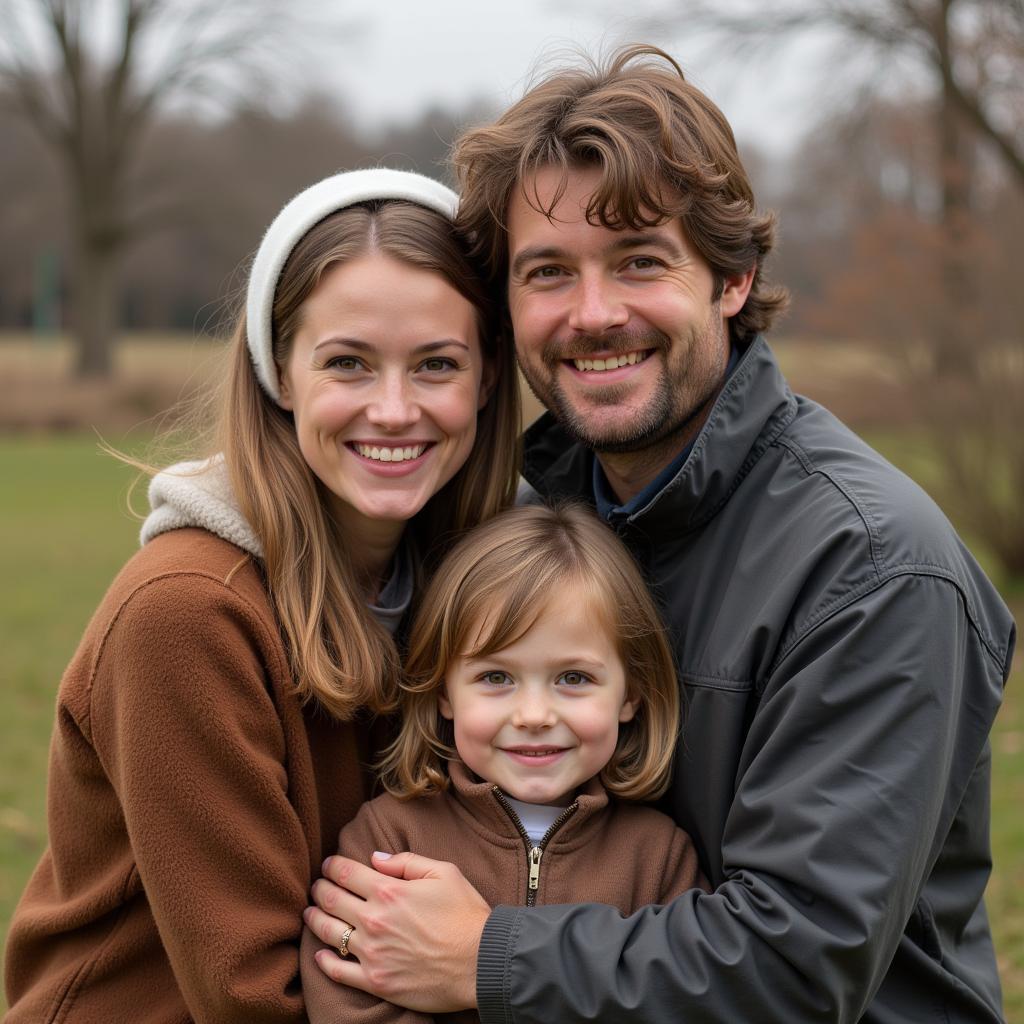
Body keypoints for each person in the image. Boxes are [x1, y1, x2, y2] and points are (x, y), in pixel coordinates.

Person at [305, 46, 1017, 1023]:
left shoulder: (871, 565)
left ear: (731, 278)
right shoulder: (532, 526)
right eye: (548, 271)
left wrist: (488, 956)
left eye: (639, 260)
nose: (593, 314)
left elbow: (800, 962)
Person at [2, 168, 520, 1023]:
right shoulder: (187, 614)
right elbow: (252, 1002)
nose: (394, 410)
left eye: (436, 365)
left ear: (490, 378)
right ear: (278, 372)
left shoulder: (489, 598)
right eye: (348, 363)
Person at [300, 502, 706, 1023]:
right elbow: (342, 999)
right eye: (496, 678)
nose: (534, 715)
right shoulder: (388, 841)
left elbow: (681, 1003)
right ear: (444, 690)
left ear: (632, 695)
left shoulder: (660, 860)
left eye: (574, 678)